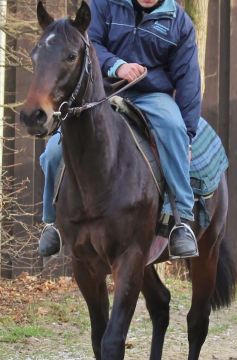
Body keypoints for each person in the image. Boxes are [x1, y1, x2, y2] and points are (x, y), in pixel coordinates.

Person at [39, 0, 200, 259]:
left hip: (152, 95)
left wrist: (188, 136)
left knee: (173, 130)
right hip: (102, 92)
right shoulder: (102, 6)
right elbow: (90, 44)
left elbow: (188, 78)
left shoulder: (179, 23)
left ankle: (181, 222)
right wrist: (118, 65)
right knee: (52, 152)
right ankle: (50, 225)